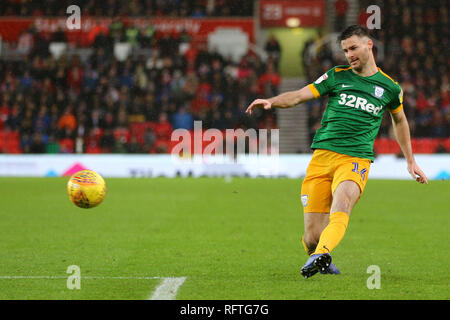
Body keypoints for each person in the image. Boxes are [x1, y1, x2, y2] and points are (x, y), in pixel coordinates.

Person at [245, 25, 428, 278]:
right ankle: (319, 253)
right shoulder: (336, 76)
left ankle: (324, 253)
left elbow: (400, 121)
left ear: (369, 45)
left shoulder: (389, 88)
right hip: (322, 158)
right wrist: (272, 101)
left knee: (341, 205)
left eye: (353, 48)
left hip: (355, 159)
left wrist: (410, 161)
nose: (349, 54)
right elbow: (299, 95)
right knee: (312, 237)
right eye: (345, 50)